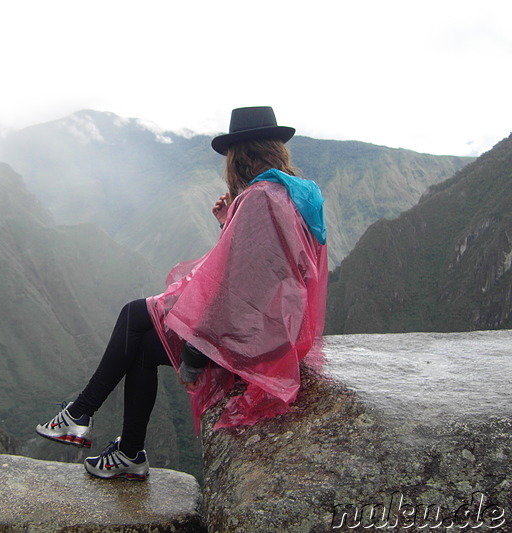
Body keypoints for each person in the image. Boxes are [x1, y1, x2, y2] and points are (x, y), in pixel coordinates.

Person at [35, 106, 328, 480]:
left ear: (240, 155)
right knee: (140, 347)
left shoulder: (261, 199)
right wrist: (229, 223)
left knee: (133, 314)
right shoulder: (297, 193)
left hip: (252, 338)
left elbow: (234, 285)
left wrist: (194, 351)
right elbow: (265, 267)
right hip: (271, 333)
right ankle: (126, 452)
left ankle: (80, 413)